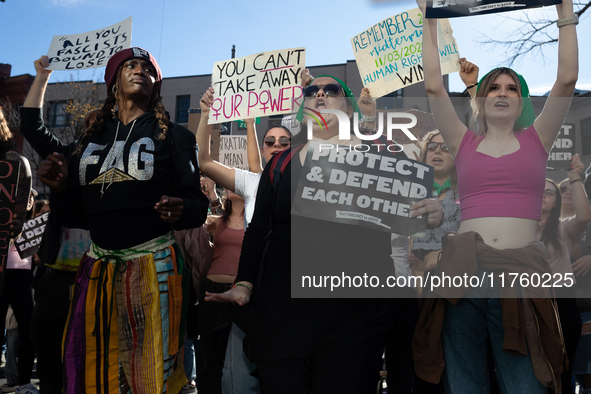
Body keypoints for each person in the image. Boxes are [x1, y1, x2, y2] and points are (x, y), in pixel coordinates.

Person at [206, 73, 443, 393]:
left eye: (331, 90)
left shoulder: (382, 154)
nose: (320, 94)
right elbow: (259, 230)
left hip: (355, 316)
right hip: (282, 314)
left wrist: (429, 214)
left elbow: (409, 212)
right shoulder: (281, 164)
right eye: (311, 91)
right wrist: (245, 283)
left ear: (348, 106)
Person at [414, 0, 578, 390]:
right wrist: (429, 16)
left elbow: (567, 79)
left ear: (521, 101)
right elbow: (434, 84)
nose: (502, 93)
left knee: (525, 384)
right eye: (493, 87)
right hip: (464, 274)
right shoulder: (462, 141)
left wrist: (566, 8)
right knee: (466, 384)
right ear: (482, 99)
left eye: (511, 88)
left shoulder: (537, 139)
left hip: (520, 277)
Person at [35, 47, 209, 394]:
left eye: (147, 68)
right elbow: (74, 216)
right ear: (114, 81)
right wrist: (58, 189)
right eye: (130, 65)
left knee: (150, 375)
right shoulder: (87, 141)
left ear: (156, 85)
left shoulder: (176, 137)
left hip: (154, 265)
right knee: (93, 370)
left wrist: (181, 208)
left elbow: (198, 204)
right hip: (97, 267)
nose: (139, 70)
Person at [196, 87, 292, 394]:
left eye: (284, 142)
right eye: (270, 142)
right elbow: (206, 162)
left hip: (289, 293)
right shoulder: (254, 182)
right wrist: (206, 116)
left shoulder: (308, 178)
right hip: (250, 291)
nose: (276, 146)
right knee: (236, 380)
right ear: (263, 149)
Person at [538, 157, 590, 393]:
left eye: (549, 193)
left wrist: (574, 177)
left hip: (561, 304)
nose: (542, 195)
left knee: (562, 370)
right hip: (526, 301)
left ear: (556, 202)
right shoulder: (516, 229)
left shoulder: (562, 228)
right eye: (538, 190)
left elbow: (583, 217)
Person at [198, 180, 245, 394]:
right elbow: (192, 222)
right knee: (210, 356)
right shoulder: (218, 222)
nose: (234, 185)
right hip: (212, 290)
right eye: (231, 182)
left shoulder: (257, 220)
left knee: (239, 356)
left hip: (241, 295)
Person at [0, 189, 37, 394]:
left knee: (27, 333)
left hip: (24, 280)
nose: (29, 200)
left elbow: (40, 258)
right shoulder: (5, 221)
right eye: (25, 196)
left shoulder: (35, 225)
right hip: (3, 277)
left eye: (32, 196)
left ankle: (24, 383)